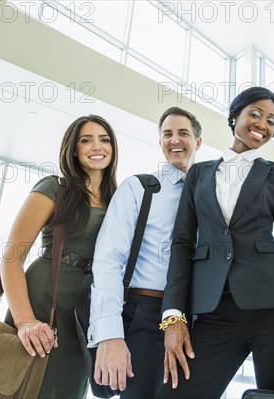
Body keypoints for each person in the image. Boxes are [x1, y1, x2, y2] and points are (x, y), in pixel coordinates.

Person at [160, 86, 274, 399]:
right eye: (256, 113)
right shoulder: (198, 173)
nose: (263, 123)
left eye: (272, 120)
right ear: (235, 116)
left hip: (273, 311)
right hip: (212, 310)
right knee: (176, 393)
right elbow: (182, 244)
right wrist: (173, 316)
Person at [1, 114, 118, 398]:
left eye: (104, 140)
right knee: (21, 385)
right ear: (73, 149)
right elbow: (11, 257)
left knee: (67, 388)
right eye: (86, 140)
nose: (97, 146)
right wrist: (25, 321)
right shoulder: (56, 187)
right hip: (43, 301)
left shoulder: (120, 199)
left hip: (85, 313)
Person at [88, 107, 202, 398]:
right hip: (145, 313)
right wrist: (110, 335)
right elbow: (107, 262)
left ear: (198, 142)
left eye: (183, 133)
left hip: (198, 320)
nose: (175, 140)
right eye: (167, 134)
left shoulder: (210, 196)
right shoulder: (138, 188)